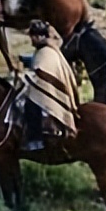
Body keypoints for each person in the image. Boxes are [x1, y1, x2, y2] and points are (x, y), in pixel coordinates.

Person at [20, 20, 80, 151]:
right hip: (50, 87)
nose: (31, 40)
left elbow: (41, 72)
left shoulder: (45, 52)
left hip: (50, 90)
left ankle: (36, 140)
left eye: (32, 37)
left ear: (38, 37)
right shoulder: (47, 49)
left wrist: (24, 78)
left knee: (31, 104)